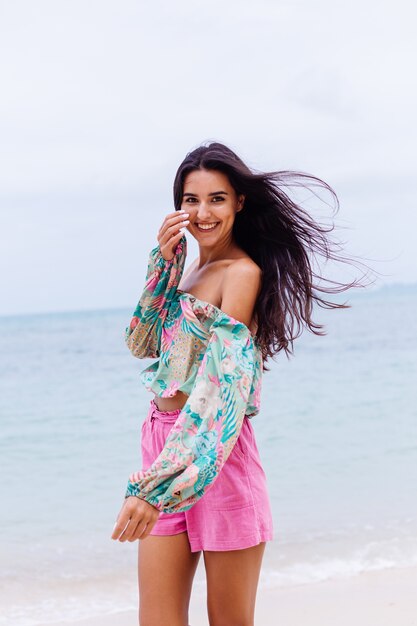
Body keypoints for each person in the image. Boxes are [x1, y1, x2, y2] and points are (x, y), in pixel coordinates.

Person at [111, 141, 373, 626]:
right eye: (192, 199)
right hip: (164, 442)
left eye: (216, 198)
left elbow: (218, 391)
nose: (203, 211)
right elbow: (141, 342)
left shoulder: (242, 273)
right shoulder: (189, 269)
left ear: (238, 204)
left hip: (216, 452)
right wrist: (163, 265)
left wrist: (152, 487)